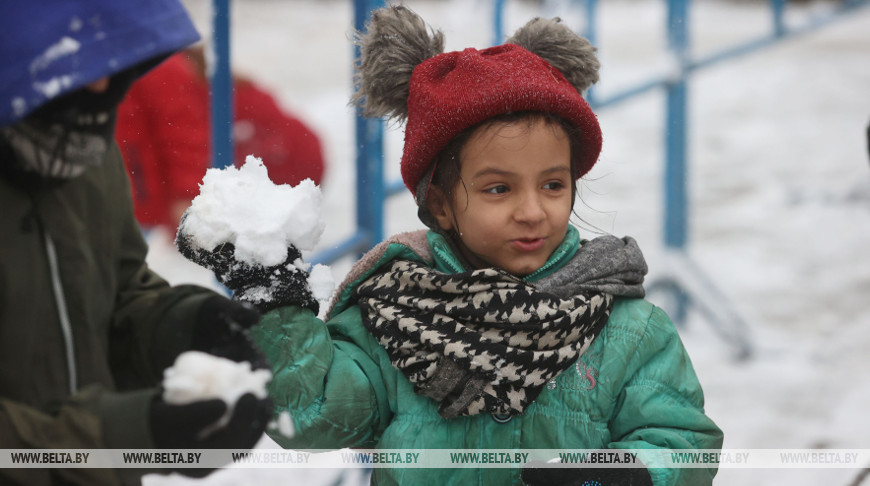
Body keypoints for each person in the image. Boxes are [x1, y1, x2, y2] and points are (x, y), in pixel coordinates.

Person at [177, 5, 723, 485]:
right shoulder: (392, 316)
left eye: (553, 184)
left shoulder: (626, 328)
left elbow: (684, 442)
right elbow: (316, 416)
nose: (533, 209)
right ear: (439, 204)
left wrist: (619, 478)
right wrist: (276, 307)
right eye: (498, 188)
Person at [0, 1, 272, 485]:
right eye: (66, 59)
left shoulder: (80, 147)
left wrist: (184, 327)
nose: (102, 87)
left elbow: (114, 292)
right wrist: (117, 436)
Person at [115, 46, 326, 231]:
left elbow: (185, 139)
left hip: (284, 160)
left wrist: (187, 197)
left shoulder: (159, 70)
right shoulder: (166, 69)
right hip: (284, 157)